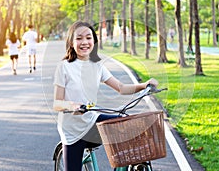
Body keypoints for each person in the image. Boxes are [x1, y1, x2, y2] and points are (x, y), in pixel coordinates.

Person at [53, 21, 159, 171]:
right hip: (72, 131)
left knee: (126, 124)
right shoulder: (64, 67)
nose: (84, 42)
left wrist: (144, 86)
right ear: (71, 41)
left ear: (94, 41)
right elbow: (57, 103)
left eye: (88, 38)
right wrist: (73, 106)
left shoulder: (97, 66)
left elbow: (121, 88)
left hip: (92, 121)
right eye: (79, 38)